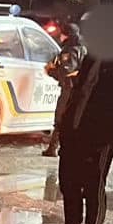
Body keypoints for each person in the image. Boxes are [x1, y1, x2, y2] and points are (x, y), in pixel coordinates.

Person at [49, 10, 113, 224]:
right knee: (69, 181)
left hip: (100, 137)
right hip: (76, 131)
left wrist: (108, 137)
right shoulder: (93, 58)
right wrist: (66, 125)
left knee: (93, 183)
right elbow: (80, 93)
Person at [41, 22, 84, 158]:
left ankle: (53, 148)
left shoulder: (69, 51)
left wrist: (50, 71)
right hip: (78, 90)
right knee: (72, 119)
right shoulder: (82, 48)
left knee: (61, 118)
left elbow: (66, 71)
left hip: (69, 89)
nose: (60, 36)